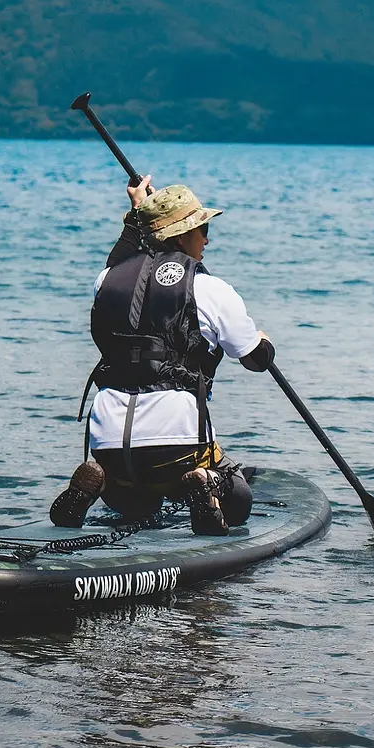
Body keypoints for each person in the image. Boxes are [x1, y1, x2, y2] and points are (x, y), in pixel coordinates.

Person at [49, 175, 275, 536]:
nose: (207, 238)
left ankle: (103, 481)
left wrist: (137, 212)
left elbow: (122, 263)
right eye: (201, 228)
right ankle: (205, 481)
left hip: (108, 439)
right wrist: (263, 340)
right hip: (177, 440)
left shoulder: (105, 280)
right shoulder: (212, 288)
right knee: (239, 502)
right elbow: (254, 359)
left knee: (133, 503)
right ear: (183, 235)